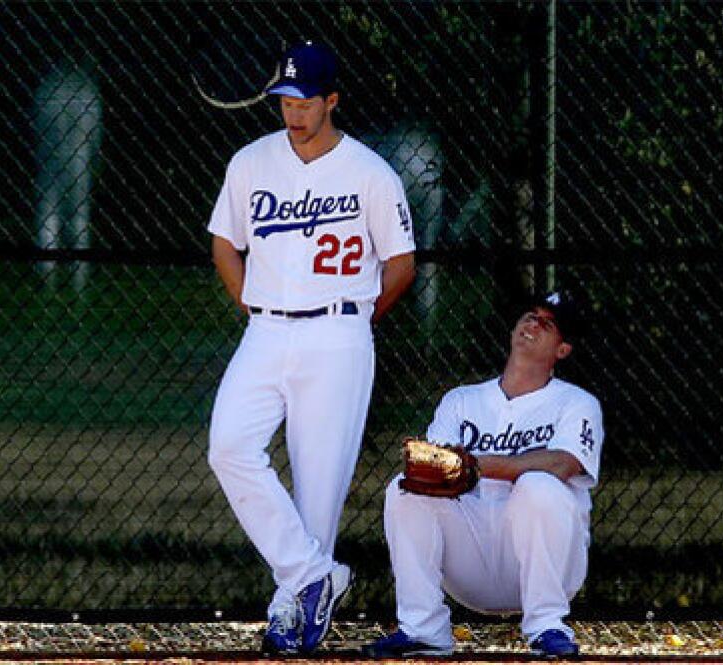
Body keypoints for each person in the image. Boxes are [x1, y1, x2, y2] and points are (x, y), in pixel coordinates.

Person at [205, 40, 416, 655]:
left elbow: (400, 263)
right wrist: (251, 304)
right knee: (229, 446)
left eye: (304, 101)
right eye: (284, 101)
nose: (292, 113)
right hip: (266, 328)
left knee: (317, 489)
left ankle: (292, 608)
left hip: (338, 330)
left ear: (331, 101)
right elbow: (225, 242)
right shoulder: (251, 161)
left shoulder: (371, 172)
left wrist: (355, 321)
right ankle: (312, 576)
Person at [364, 292, 604, 659]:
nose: (533, 323)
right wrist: (437, 466)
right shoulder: (461, 401)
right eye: (530, 315)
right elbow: (434, 470)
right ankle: (422, 629)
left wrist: (477, 465)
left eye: (548, 323)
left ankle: (547, 626)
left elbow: (563, 464)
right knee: (405, 489)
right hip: (471, 559)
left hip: (545, 563)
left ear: (563, 350)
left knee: (539, 484)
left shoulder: (576, 403)